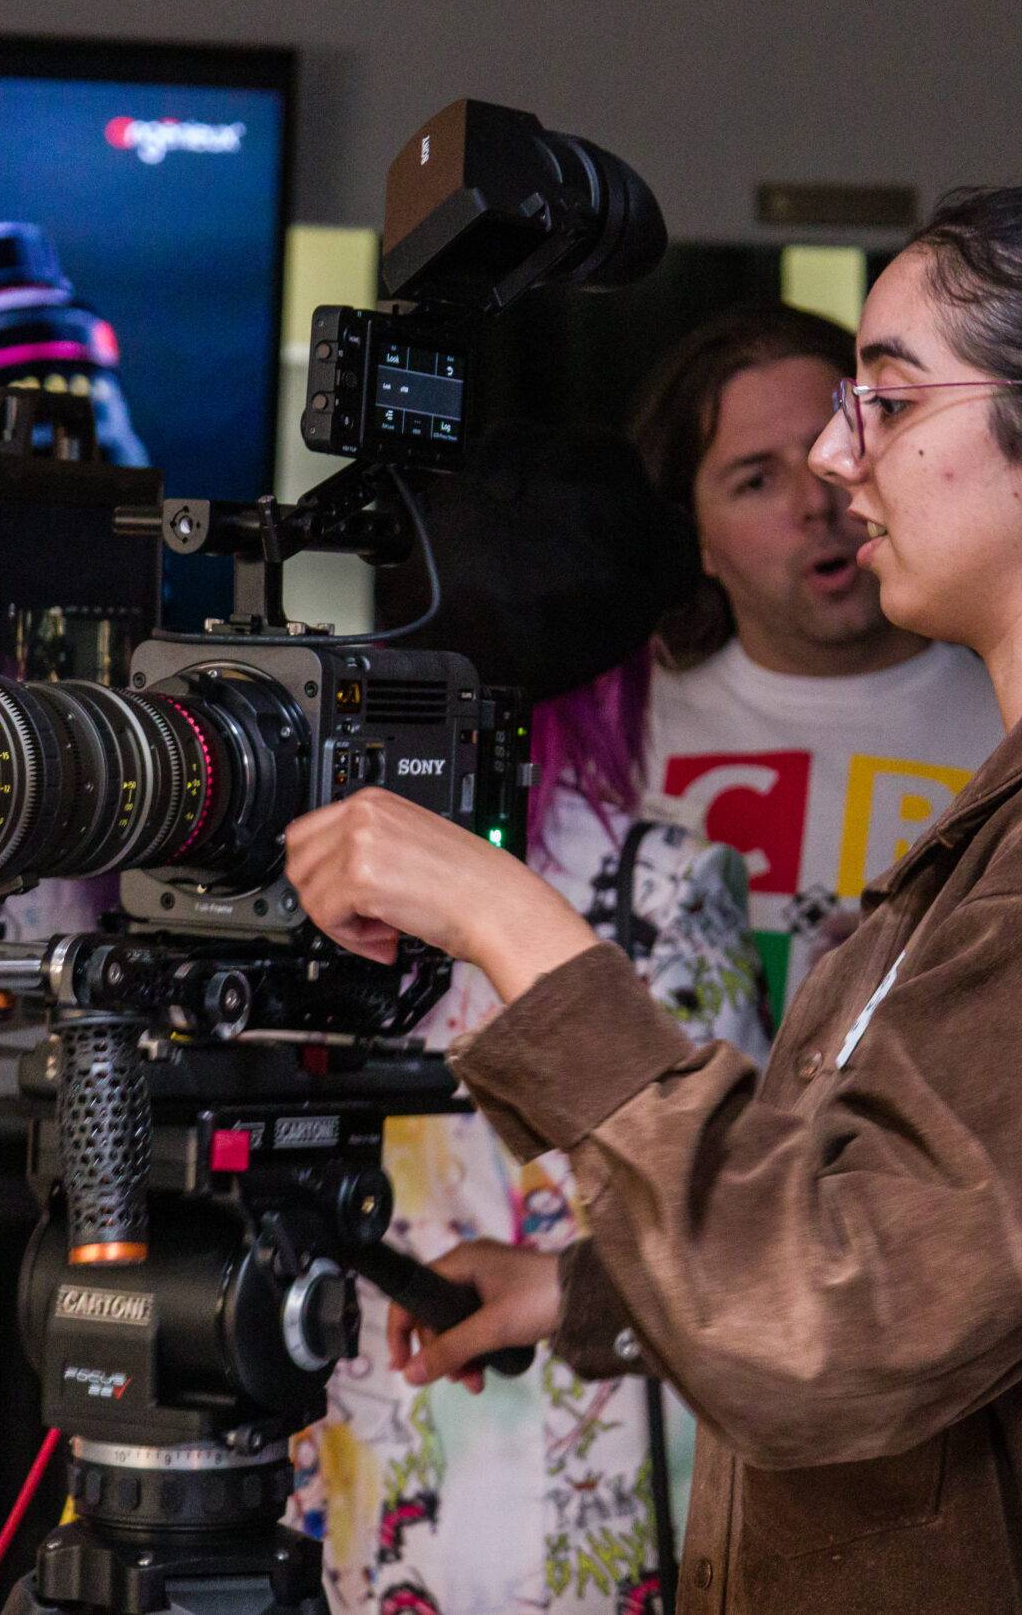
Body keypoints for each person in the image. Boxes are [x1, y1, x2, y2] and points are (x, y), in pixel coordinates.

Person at [284, 176, 1022, 1613]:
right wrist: (582, 1290)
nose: (840, 461)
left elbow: (835, 1319)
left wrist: (510, 922)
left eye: (888, 403)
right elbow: (957, 1242)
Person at [288, 426, 769, 1614]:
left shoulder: (318, 877)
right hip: (596, 1480)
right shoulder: (664, 885)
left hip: (383, 1450)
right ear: (631, 668)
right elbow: (739, 1230)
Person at [631, 305, 1004, 1004]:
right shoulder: (623, 735)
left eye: (840, 445)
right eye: (756, 480)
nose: (814, 502)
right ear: (697, 539)